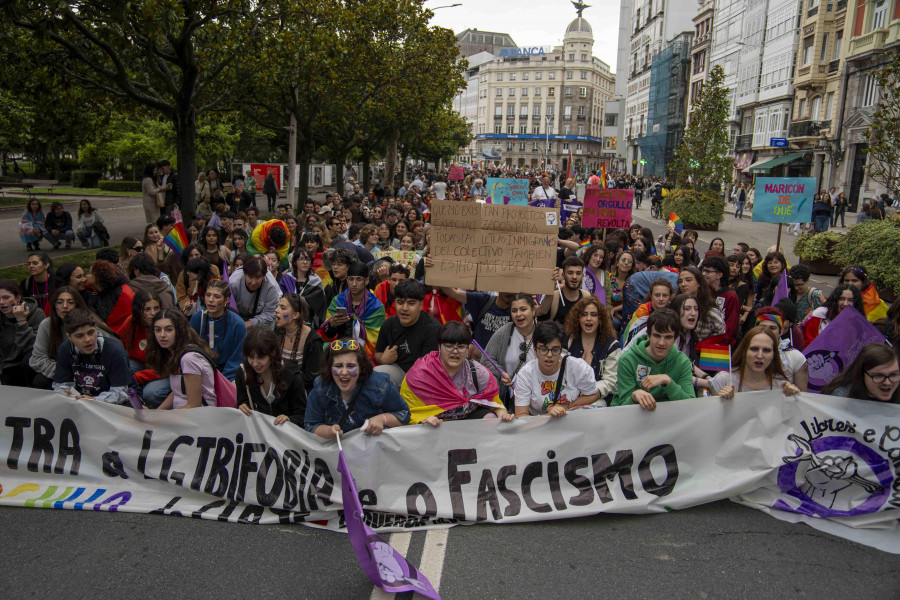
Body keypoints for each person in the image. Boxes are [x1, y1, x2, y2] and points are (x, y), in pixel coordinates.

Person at [402, 321, 513, 425]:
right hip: (435, 425)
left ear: (467, 349)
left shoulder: (478, 373)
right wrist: (423, 419)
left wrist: (503, 416)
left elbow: (495, 405)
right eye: (449, 346)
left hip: (468, 421)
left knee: (490, 418)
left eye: (461, 347)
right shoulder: (420, 373)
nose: (455, 351)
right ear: (439, 347)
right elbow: (406, 411)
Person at [304, 339, 410, 439]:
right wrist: (328, 432)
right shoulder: (321, 388)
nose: (344, 372)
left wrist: (383, 419)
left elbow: (404, 415)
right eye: (338, 366)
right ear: (329, 368)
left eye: (351, 366)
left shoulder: (381, 385)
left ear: (361, 368)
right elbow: (310, 426)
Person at [612, 309, 695, 410]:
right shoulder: (628, 359)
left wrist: (668, 382)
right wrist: (634, 397)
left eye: (668, 337)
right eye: (657, 335)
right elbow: (621, 407)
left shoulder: (682, 362)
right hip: (635, 417)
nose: (661, 342)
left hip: (670, 417)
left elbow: (690, 406)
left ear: (675, 339)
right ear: (648, 335)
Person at [513, 321, 599, 417]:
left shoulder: (577, 367)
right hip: (539, 426)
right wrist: (549, 416)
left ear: (561, 350)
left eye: (555, 350)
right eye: (544, 349)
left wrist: (566, 406)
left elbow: (594, 394)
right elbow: (521, 415)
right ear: (535, 350)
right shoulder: (525, 374)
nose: (549, 355)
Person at [52, 309, 133, 404]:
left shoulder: (115, 352)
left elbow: (121, 393)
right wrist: (66, 394)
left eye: (91, 332)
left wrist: (95, 400)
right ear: (69, 337)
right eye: (79, 336)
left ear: (96, 328)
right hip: (81, 399)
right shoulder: (65, 349)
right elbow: (61, 385)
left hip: (114, 402)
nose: (87, 339)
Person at [372, 280, 441, 387]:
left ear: (421, 304)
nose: (404, 308)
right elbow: (378, 353)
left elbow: (430, 369)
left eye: (411, 303)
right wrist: (383, 359)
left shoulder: (432, 329)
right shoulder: (388, 324)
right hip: (398, 370)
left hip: (424, 376)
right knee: (375, 375)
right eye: (400, 302)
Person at [146, 309, 220, 409]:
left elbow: (194, 405)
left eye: (168, 330)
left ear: (179, 331)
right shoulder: (174, 352)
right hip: (180, 414)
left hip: (198, 418)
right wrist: (157, 412)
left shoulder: (189, 359)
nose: (162, 335)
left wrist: (162, 418)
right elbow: (178, 392)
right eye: (158, 330)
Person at [236, 327, 307, 426]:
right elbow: (242, 401)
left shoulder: (292, 376)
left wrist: (289, 419)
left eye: (261, 357)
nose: (255, 363)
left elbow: (303, 416)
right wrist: (243, 407)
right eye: (251, 357)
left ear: (273, 353)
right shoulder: (242, 373)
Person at [480, 293, 539, 406]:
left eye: (523, 309)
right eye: (514, 310)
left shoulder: (543, 333)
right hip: (510, 397)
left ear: (533, 311)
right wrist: (500, 372)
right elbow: (486, 359)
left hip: (538, 394)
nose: (518, 314)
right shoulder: (504, 332)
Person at [709, 326, 801, 399]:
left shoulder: (782, 386)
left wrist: (794, 397)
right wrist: (720, 401)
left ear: (774, 355)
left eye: (766, 350)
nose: (760, 355)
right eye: (754, 349)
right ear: (744, 351)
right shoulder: (723, 381)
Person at [30, 286, 94, 390]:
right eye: (59, 302)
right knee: (40, 380)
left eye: (70, 302)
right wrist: (64, 371)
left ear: (78, 305)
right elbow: (37, 358)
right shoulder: (47, 324)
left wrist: (80, 373)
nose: (64, 306)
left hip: (89, 371)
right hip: (59, 370)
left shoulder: (89, 323)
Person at [319, 261, 384, 357]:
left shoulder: (375, 306)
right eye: (351, 279)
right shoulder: (338, 301)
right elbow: (327, 335)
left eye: (358, 279)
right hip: (340, 344)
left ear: (366, 281)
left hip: (364, 350)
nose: (354, 284)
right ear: (347, 280)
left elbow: (377, 340)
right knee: (322, 348)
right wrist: (332, 324)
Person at [564, 296, 621, 405]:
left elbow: (611, 382)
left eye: (593, 315)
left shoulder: (612, 345)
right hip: (568, 395)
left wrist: (589, 393)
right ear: (578, 318)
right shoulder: (568, 340)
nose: (588, 318)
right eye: (584, 314)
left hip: (599, 398)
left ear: (600, 319)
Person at [190, 280, 246, 381]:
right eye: (208, 295)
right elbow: (189, 348)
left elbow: (237, 359)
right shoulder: (197, 318)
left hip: (227, 375)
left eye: (217, 297)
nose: (211, 300)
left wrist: (221, 380)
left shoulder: (238, 324)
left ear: (226, 300)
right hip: (199, 371)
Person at [274, 293, 323, 392]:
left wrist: (285, 383)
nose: (276, 310)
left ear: (296, 315)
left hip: (300, 392)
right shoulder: (278, 332)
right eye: (278, 306)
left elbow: (312, 377)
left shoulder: (313, 340)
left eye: (282, 308)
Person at [0, 279, 44, 386]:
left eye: (6, 298)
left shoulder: (36, 314)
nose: (1, 302)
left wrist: (22, 321)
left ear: (18, 297)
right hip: (4, 371)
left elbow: (32, 348)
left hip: (26, 370)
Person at [823, 343, 900, 404]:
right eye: (878, 376)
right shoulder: (840, 398)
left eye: (893, 375)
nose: (887, 382)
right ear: (862, 375)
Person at [755, 307, 808, 391]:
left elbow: (803, 397)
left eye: (772, 328)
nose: (767, 331)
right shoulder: (746, 354)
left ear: (781, 331)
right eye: (762, 327)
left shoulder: (796, 357)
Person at [229, 255, 282, 329]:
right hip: (238, 316)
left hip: (264, 321)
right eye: (250, 277)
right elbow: (228, 307)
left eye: (258, 277)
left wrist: (249, 323)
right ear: (244, 274)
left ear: (264, 276)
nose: (253, 282)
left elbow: (269, 314)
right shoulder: (233, 283)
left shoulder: (272, 287)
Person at [675, 266, 725, 343]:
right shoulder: (674, 306)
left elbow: (721, 334)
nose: (683, 284)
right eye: (680, 281)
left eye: (688, 280)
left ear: (699, 283)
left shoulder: (711, 312)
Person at [537, 256, 590, 325]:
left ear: (582, 276)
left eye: (578, 273)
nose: (574, 277)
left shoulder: (586, 297)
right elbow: (541, 326)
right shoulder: (553, 298)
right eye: (570, 273)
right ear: (563, 276)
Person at [85, 259, 135, 331]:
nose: (86, 276)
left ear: (98, 277)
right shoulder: (95, 294)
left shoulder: (121, 293)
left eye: (89, 274)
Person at [702, 257, 740, 345]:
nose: (704, 274)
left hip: (718, 348)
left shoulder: (730, 296)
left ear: (719, 275)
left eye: (708, 271)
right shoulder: (701, 291)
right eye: (703, 270)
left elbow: (730, 328)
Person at [19, 251, 56, 317]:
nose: (31, 266)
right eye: (29, 264)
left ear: (46, 265)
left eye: (35, 263)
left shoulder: (57, 281)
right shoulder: (25, 283)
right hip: (35, 320)